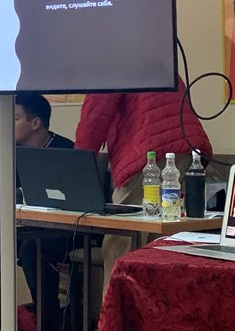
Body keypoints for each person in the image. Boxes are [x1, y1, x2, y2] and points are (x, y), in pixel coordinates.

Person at [74, 76, 213, 293]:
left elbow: (96, 114)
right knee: (163, 247)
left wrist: (78, 166)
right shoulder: (150, 56)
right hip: (185, 150)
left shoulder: (109, 60)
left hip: (149, 153)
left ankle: (115, 313)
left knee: (121, 244)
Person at [14, 94, 75, 328]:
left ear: (36, 123)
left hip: (72, 227)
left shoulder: (66, 150)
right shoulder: (13, 152)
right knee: (5, 238)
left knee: (32, 247)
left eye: (15, 118)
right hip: (36, 224)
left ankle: (48, 321)